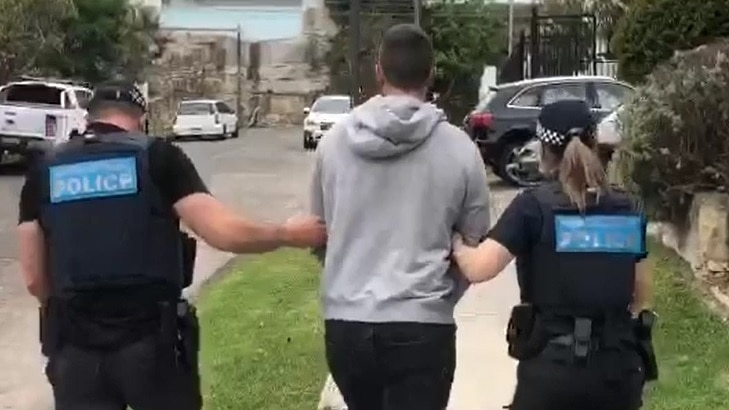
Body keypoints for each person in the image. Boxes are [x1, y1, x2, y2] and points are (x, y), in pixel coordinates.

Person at [17, 80, 327, 410]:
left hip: (75, 351)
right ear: (140, 117)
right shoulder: (158, 157)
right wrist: (286, 234)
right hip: (151, 346)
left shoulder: (44, 171)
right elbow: (223, 232)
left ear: (89, 118)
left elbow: (35, 279)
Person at [310, 24, 491, 410]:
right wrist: (440, 296)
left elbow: (319, 233)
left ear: (379, 72)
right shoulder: (460, 150)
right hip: (423, 323)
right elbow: (474, 241)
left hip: (347, 322)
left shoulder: (333, 144)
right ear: (430, 73)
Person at [451, 99, 656, 410]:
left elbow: (479, 268)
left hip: (551, 371)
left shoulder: (533, 207)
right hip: (617, 368)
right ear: (594, 141)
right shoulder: (626, 207)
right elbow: (640, 293)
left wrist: (457, 243)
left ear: (545, 151)